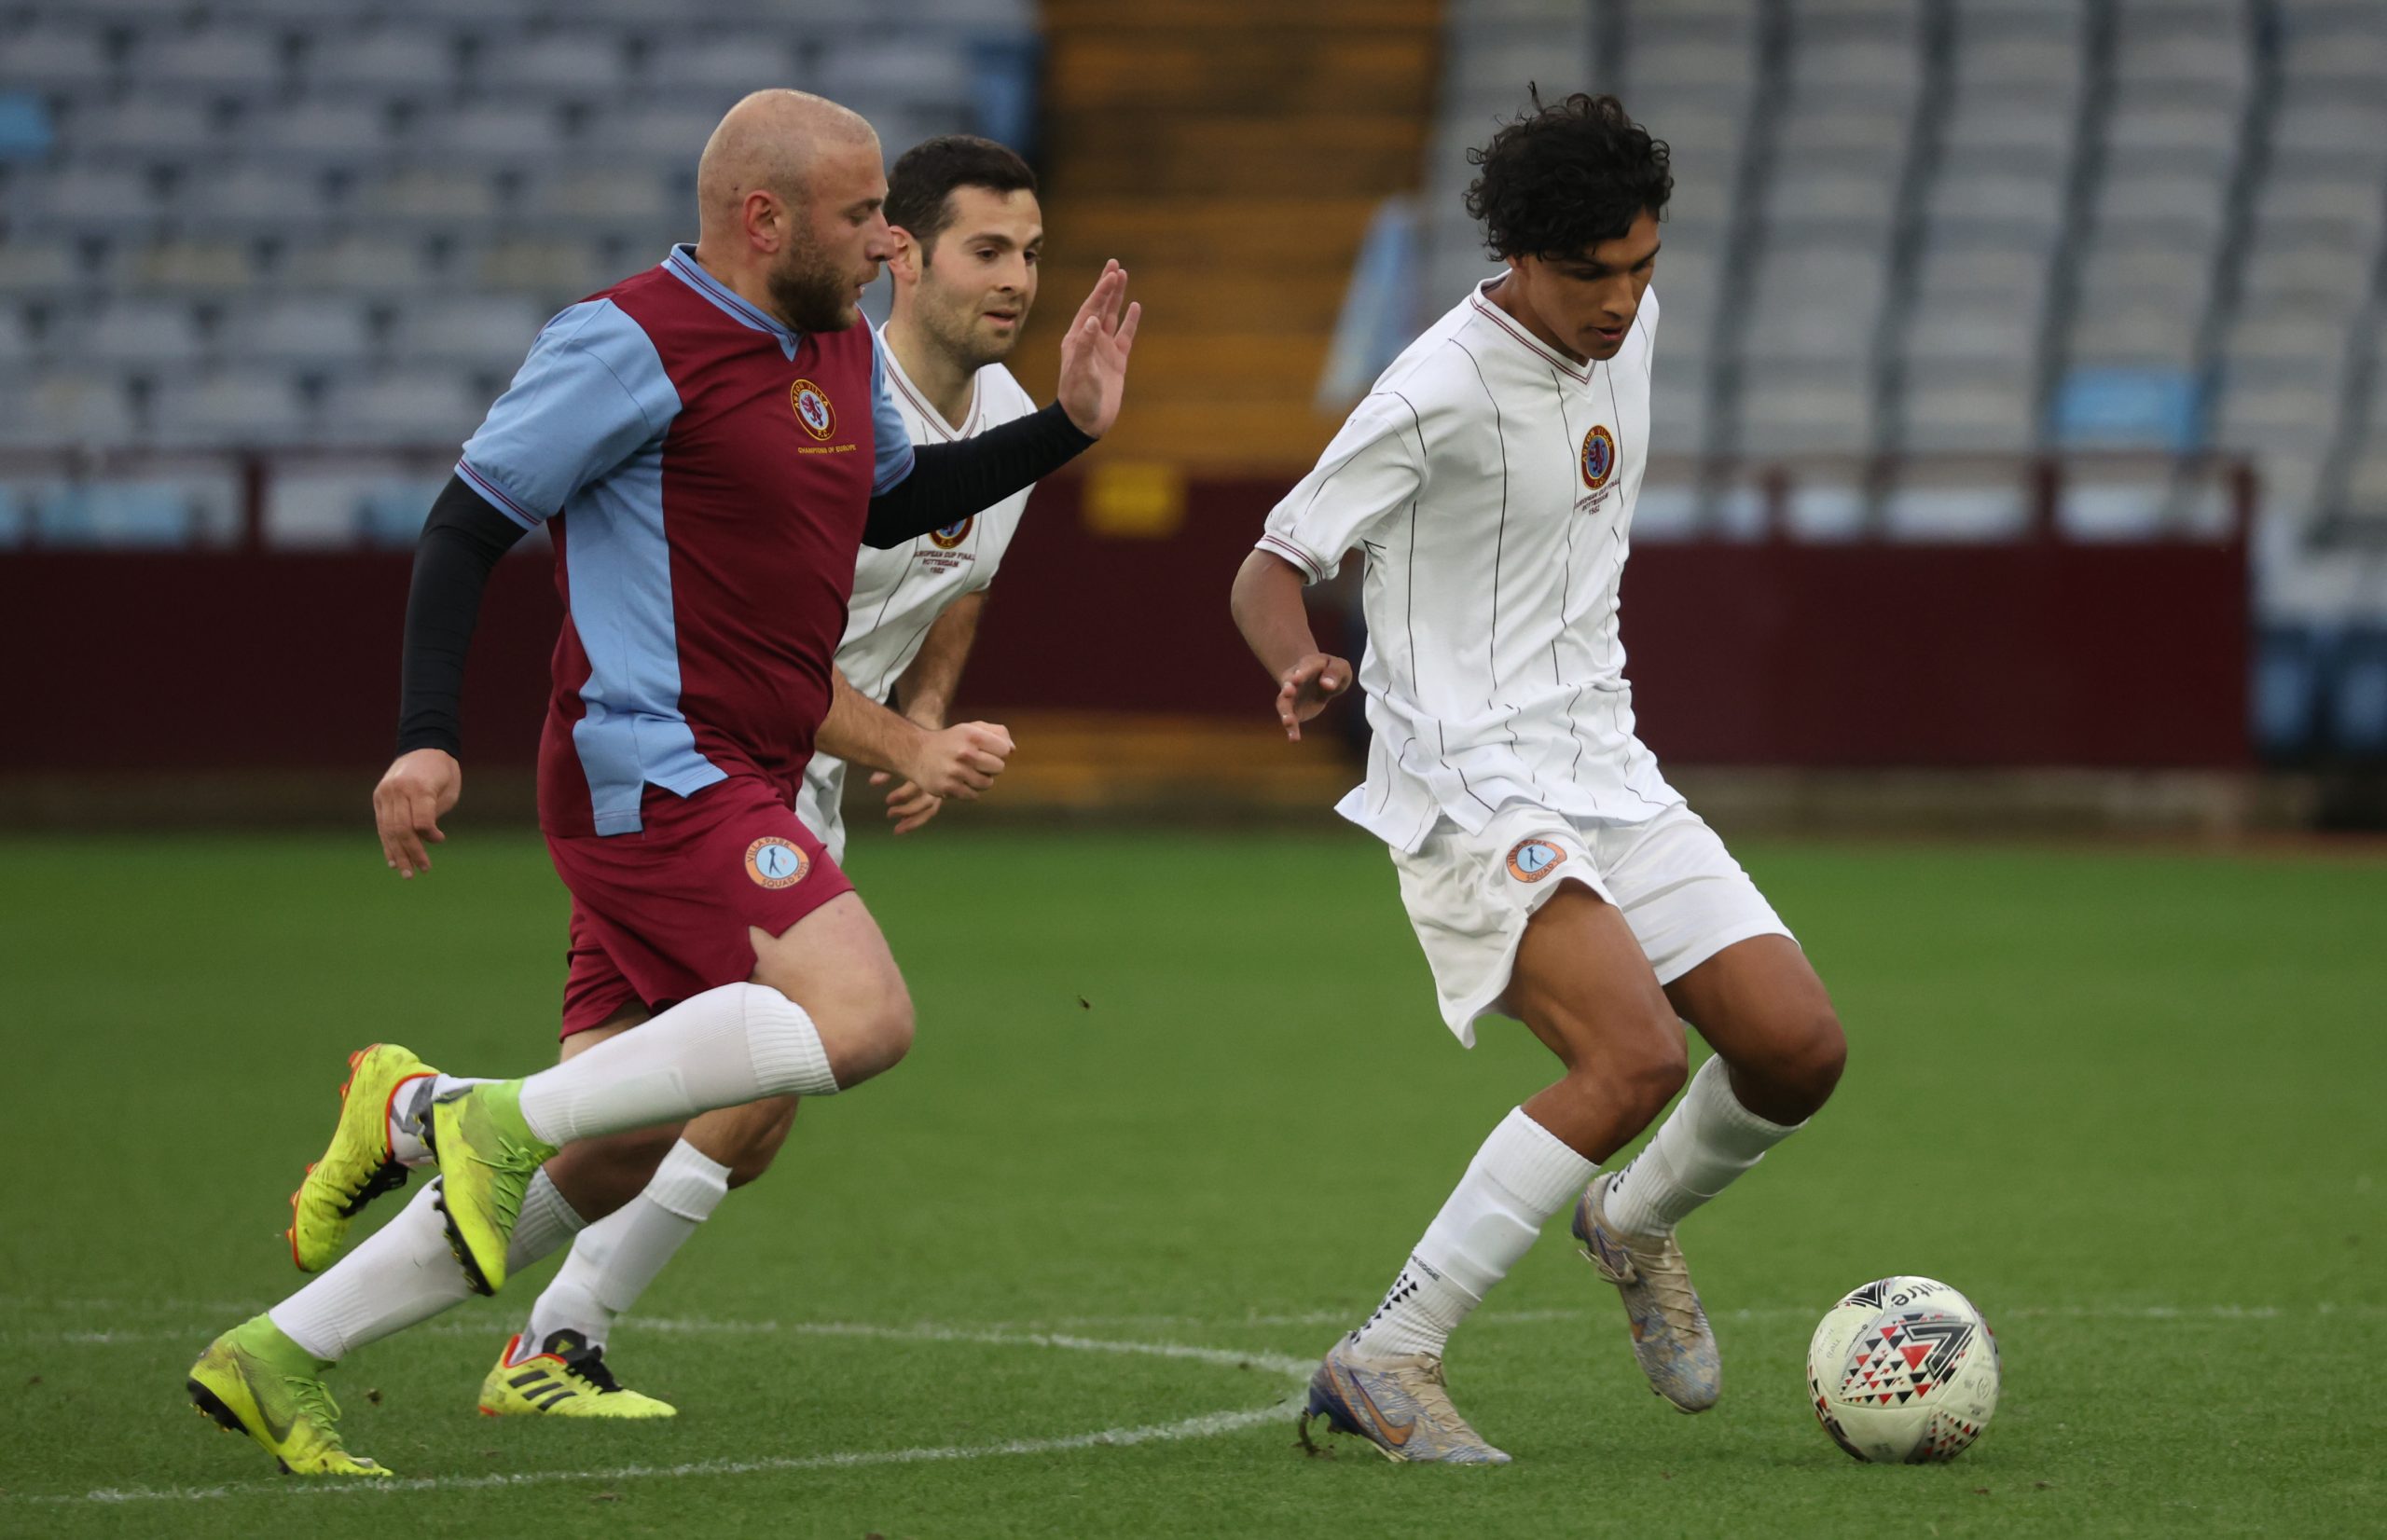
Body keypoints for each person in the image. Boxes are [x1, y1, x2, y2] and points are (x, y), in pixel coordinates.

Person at [185, 90, 1138, 1478]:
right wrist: (425, 734)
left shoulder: (831, 347)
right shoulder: (627, 338)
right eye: (862, 216)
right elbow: (466, 525)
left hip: (741, 770)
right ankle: (465, 1115)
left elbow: (885, 504)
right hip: (656, 764)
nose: (884, 244)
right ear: (765, 218)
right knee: (859, 1018)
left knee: (617, 1146)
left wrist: (1070, 426)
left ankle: (283, 1348)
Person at [1228, 91, 1844, 1464]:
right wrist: (1299, 661)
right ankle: (1388, 1355)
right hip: (1465, 782)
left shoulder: (1634, 326)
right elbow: (1269, 566)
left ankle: (1631, 1222)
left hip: (1606, 764)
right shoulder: (1433, 391)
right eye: (1589, 275)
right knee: (1633, 1057)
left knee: (1798, 1049)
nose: (1621, 300)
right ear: (1516, 256)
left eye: (1642, 267)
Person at [480, 134, 1054, 1418]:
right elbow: (764, 656)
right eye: (988, 250)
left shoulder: (1008, 423)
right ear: (901, 256)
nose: (1018, 279)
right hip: (712, 768)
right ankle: (541, 1308)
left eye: (1031, 253)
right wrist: (905, 742)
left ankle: (374, 1287)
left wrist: (928, 711)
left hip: (798, 782)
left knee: (669, 1122)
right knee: (740, 1095)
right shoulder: (828, 389)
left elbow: (965, 579)